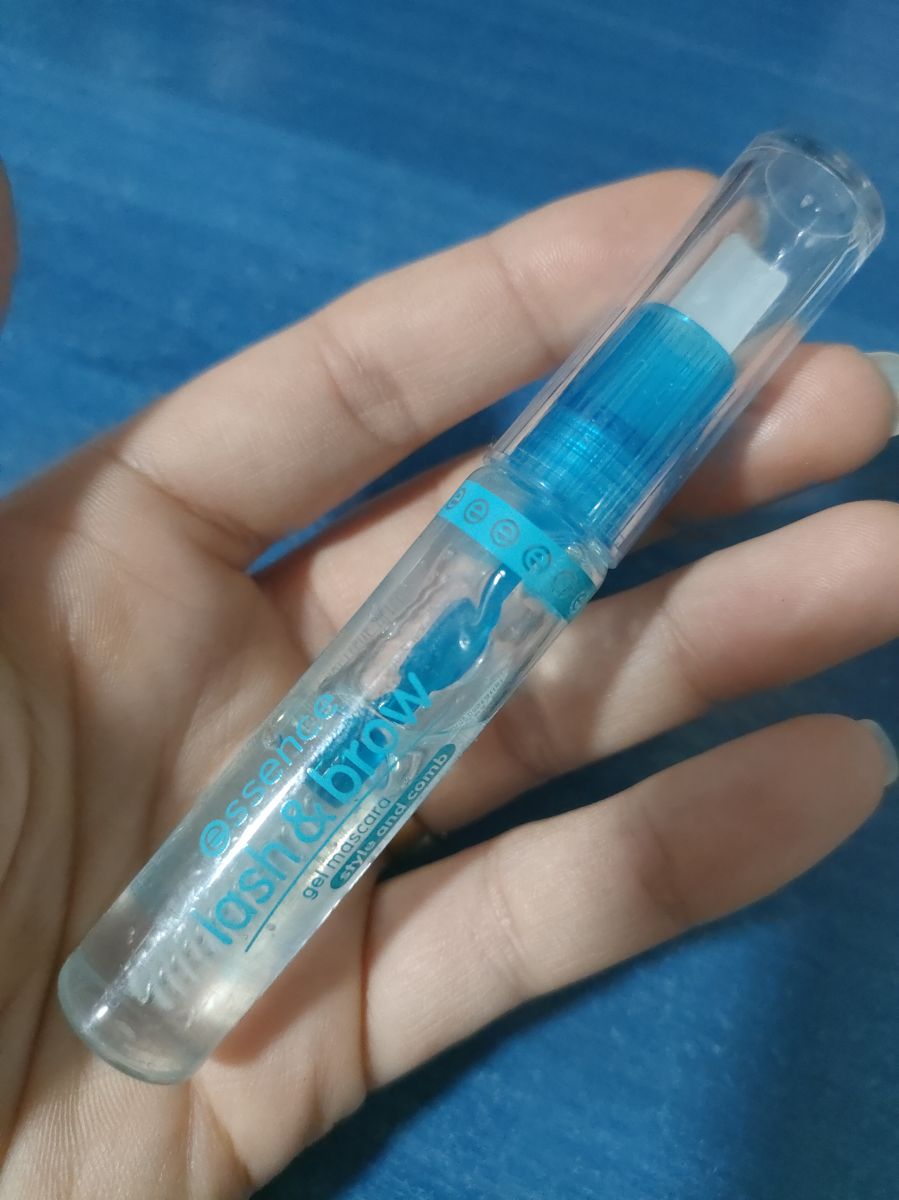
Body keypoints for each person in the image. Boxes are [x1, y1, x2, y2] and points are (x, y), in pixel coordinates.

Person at [0, 164, 897, 1199]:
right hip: (528, 508)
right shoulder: (513, 499)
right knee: (353, 741)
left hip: (568, 525)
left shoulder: (567, 534)